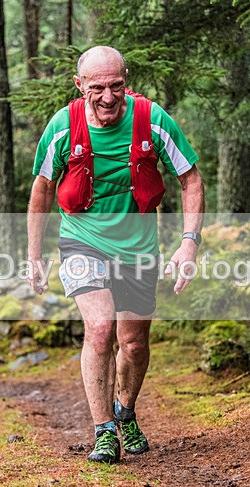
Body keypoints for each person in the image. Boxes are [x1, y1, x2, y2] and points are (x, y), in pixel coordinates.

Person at [27, 46, 204, 464]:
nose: (108, 97)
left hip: (139, 247)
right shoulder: (62, 126)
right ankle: (103, 429)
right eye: (98, 88)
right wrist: (34, 255)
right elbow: (42, 190)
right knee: (101, 328)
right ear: (79, 86)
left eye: (117, 86)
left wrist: (188, 241)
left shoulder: (152, 119)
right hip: (81, 239)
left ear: (127, 81)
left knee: (134, 344)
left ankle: (125, 411)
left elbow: (191, 179)